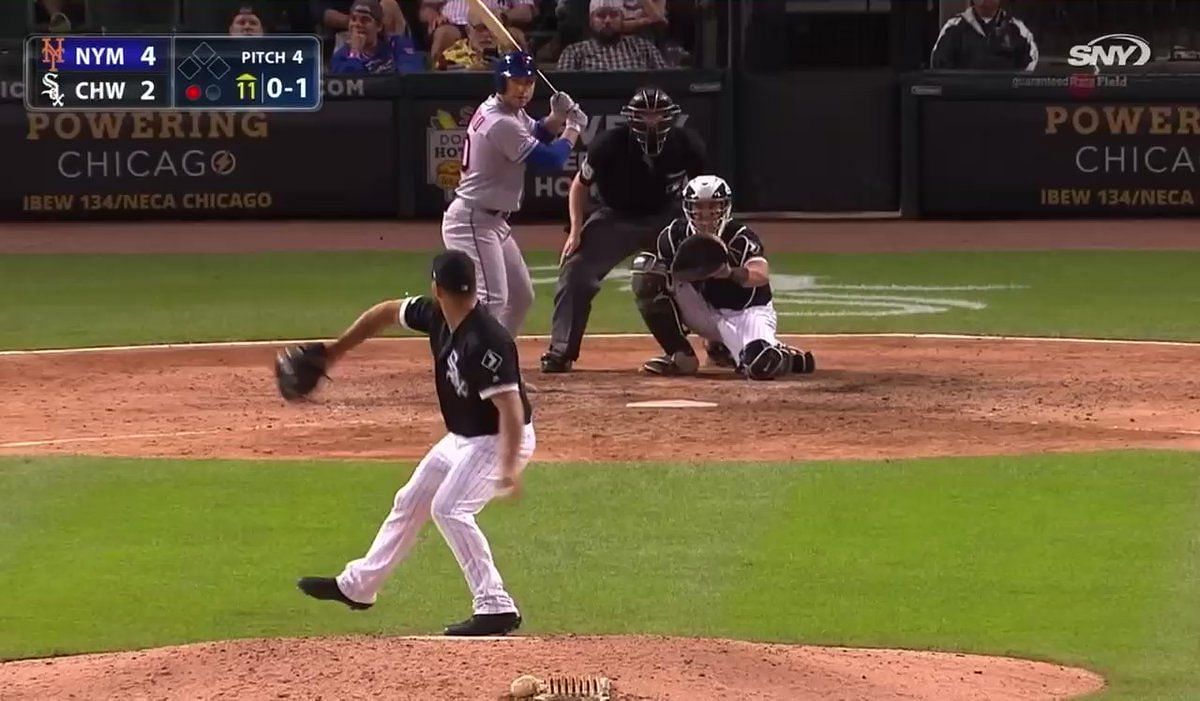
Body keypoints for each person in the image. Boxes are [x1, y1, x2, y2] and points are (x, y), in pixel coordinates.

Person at [289, 250, 535, 637]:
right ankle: (358, 586)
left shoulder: (486, 339)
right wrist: (335, 351)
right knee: (411, 500)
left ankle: (495, 606)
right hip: (464, 438)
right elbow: (387, 312)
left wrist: (506, 469)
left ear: (437, 287)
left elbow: (510, 406)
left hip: (500, 438)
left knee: (450, 509)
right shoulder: (438, 315)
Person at [540, 86, 706, 373]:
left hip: (666, 217)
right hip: (614, 217)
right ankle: (561, 351)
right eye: (644, 115)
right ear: (630, 118)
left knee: (707, 262)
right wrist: (576, 230)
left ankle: (719, 343)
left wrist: (703, 234)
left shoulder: (687, 144)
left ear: (671, 117)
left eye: (658, 115)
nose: (651, 122)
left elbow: (704, 190)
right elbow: (579, 185)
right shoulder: (609, 144)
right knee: (576, 269)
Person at [441, 51, 587, 335]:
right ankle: (472, 362)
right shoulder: (500, 121)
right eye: (516, 82)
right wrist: (572, 128)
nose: (523, 89)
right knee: (493, 299)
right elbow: (550, 160)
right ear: (501, 83)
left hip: (493, 221)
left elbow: (538, 135)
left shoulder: (509, 112)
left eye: (529, 82)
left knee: (520, 297)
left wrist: (555, 117)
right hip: (473, 219)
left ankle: (499, 358)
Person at [629, 175, 816, 379]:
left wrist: (728, 273)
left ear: (725, 207)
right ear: (688, 208)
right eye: (699, 207)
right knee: (646, 272)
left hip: (747, 312)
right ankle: (680, 356)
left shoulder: (740, 237)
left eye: (713, 206)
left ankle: (780, 355)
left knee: (760, 364)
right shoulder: (674, 235)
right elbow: (661, 273)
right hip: (704, 310)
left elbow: (760, 274)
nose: (706, 214)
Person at [556, 0, 667, 71]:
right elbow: (562, 95)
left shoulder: (644, 48)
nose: (608, 20)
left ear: (622, 19)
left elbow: (667, 83)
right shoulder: (574, 53)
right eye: (601, 15)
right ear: (591, 21)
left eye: (613, 15)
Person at [930, 0, 1038, 71]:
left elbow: (1030, 71)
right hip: (963, 101)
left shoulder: (1017, 29)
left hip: (1006, 101)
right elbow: (939, 68)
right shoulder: (953, 28)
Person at [329, 0, 422, 74]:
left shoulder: (395, 45)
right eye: (353, 19)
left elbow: (411, 75)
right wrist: (355, 53)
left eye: (365, 20)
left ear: (379, 26)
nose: (357, 24)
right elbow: (350, 88)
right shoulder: (341, 56)